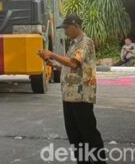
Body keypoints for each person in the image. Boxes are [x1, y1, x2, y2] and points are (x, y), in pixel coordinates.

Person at [37, 14, 107, 164]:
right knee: (74, 135)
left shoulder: (85, 42)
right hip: (69, 96)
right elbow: (70, 66)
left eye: (67, 28)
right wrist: (52, 63)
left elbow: (74, 63)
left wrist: (52, 54)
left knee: (88, 132)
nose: (65, 32)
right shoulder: (74, 44)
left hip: (81, 95)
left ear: (76, 25)